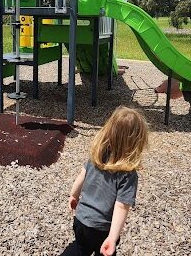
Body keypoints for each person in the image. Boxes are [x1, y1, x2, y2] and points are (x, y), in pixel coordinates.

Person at [61, 106, 149, 256]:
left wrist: (73, 195)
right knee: (104, 251)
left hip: (81, 220)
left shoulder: (96, 157)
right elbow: (121, 207)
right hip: (101, 229)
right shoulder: (127, 174)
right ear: (136, 143)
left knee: (80, 247)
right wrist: (112, 238)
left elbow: (82, 176)